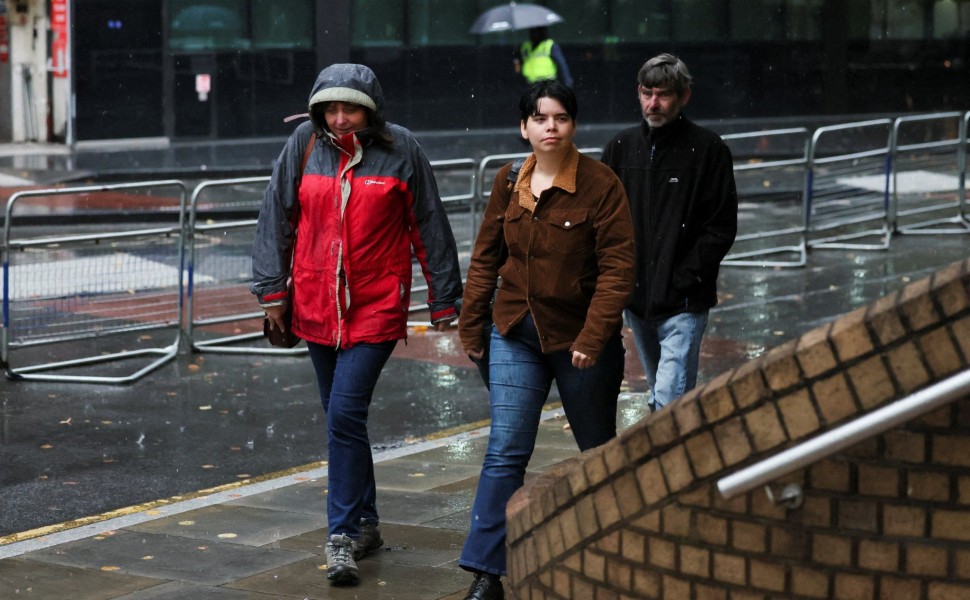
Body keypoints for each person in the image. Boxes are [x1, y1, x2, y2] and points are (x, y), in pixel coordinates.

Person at [251, 63, 463, 586]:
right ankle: (367, 523)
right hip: (315, 306)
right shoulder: (304, 142)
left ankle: (341, 536)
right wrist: (273, 294)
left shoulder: (402, 149)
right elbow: (276, 217)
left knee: (344, 414)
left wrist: (444, 303)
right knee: (342, 419)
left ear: (371, 109)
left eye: (351, 108)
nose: (340, 118)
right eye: (331, 107)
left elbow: (429, 225)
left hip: (375, 307)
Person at [457, 80, 634, 600]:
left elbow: (618, 269)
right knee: (506, 448)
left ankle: (613, 552)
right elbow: (487, 256)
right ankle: (487, 574)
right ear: (524, 127)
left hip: (580, 341)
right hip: (515, 331)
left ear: (573, 124)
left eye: (559, 117)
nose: (550, 127)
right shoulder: (509, 179)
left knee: (596, 451)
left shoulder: (601, 185)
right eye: (540, 118)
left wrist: (594, 335)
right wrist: (472, 329)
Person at [601, 53, 738, 412]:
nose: (653, 103)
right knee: (662, 391)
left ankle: (664, 461)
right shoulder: (620, 148)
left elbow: (720, 224)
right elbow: (602, 220)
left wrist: (687, 277)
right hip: (638, 298)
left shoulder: (708, 150)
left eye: (662, 95)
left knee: (668, 399)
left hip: (683, 300)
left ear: (683, 96)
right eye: (647, 94)